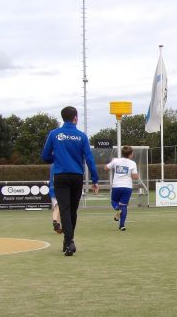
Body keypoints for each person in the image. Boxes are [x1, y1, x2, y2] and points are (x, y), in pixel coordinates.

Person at [41, 106, 99, 256]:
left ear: (63, 118)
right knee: (72, 210)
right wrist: (95, 179)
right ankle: (68, 240)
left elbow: (45, 156)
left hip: (60, 175)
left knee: (64, 209)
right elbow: (89, 159)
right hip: (76, 176)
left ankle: (68, 242)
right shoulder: (82, 136)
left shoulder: (54, 134)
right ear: (75, 118)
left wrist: (56, 157)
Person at [104, 145, 139, 231]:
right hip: (127, 187)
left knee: (114, 201)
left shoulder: (116, 161)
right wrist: (132, 174)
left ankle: (117, 209)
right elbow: (135, 177)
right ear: (130, 154)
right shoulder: (132, 163)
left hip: (116, 185)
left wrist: (114, 166)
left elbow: (106, 168)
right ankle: (122, 225)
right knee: (124, 205)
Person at [49, 165, 62, 234]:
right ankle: (55, 222)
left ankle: (57, 225)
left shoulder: (52, 166)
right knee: (58, 208)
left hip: (51, 188)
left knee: (56, 208)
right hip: (59, 188)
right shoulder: (59, 164)